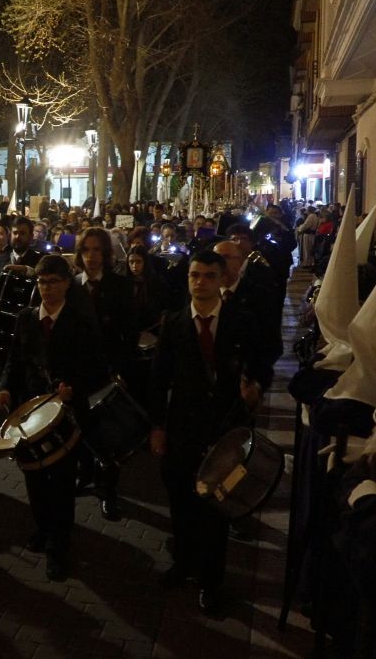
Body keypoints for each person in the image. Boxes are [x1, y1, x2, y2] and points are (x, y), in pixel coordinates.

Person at [147, 250, 273, 616]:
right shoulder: (173, 323)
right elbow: (158, 380)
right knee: (181, 501)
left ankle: (211, 582)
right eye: (194, 275)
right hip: (182, 427)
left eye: (207, 276)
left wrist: (256, 388)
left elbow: (262, 361)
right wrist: (157, 427)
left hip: (225, 428)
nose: (199, 282)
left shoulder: (241, 320)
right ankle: (184, 563)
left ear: (222, 280)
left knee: (216, 508)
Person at [0, 255, 109, 582]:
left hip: (66, 416)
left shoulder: (81, 322)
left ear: (66, 284)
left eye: (54, 282)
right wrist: (4, 388)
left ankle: (59, 545)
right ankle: (43, 529)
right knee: (33, 478)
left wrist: (74, 388)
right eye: (42, 282)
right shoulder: (26, 318)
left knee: (60, 484)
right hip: (31, 412)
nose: (46, 289)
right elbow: (13, 361)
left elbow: (99, 369)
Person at [72, 228, 140, 521]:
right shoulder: (73, 286)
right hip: (79, 374)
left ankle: (108, 493)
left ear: (106, 254)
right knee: (82, 431)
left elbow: (130, 333)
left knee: (108, 437)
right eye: (86, 250)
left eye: (97, 250)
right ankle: (84, 475)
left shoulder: (121, 286)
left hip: (109, 374)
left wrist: (122, 370)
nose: (91, 256)